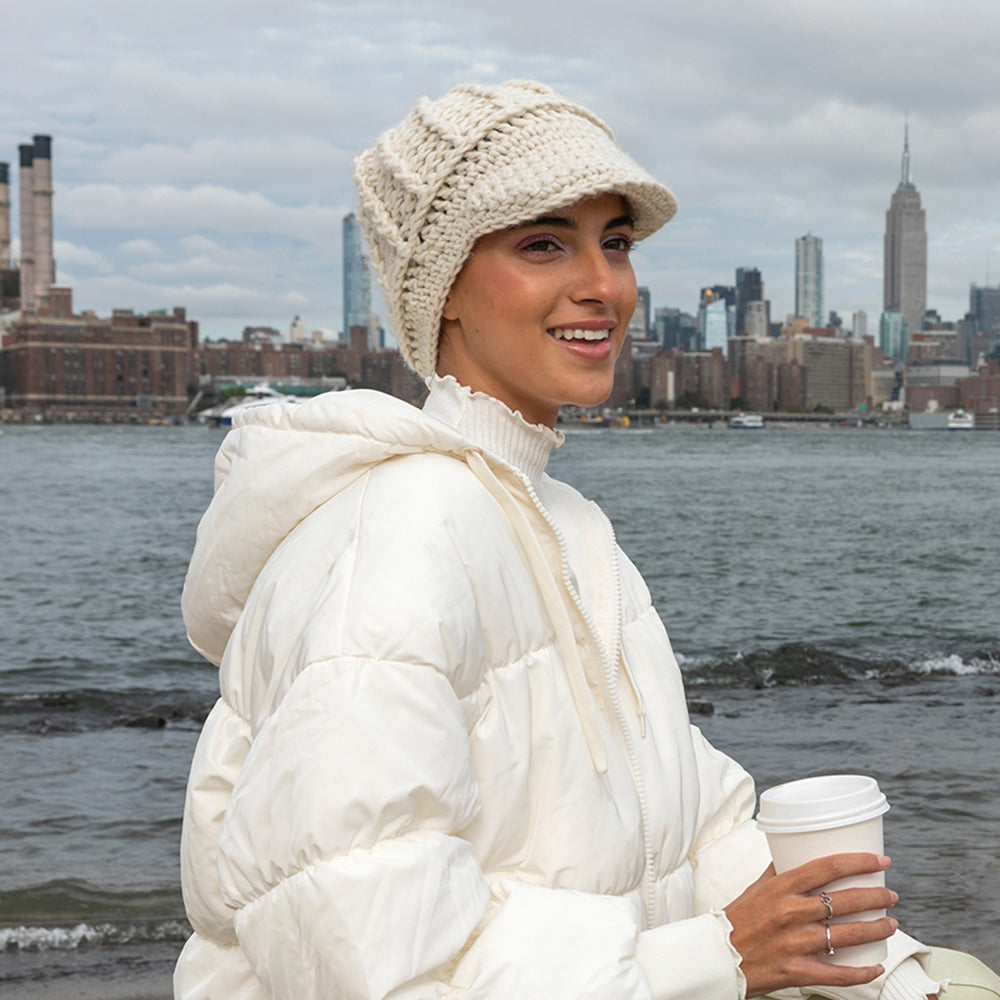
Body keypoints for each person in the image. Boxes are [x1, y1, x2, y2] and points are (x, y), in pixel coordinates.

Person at [174, 81, 999, 1000]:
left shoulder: (564, 524)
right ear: (442, 289)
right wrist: (721, 958)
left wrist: (890, 971)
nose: (603, 285)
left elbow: (694, 822)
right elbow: (371, 957)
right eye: (543, 244)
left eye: (615, 243)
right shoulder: (395, 538)